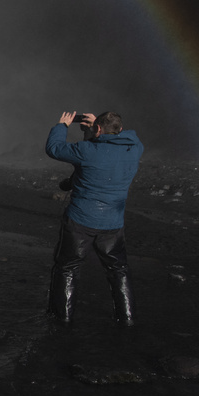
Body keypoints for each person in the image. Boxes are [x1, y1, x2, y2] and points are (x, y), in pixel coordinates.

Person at [45, 110, 143, 326]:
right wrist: (102, 127)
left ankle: (62, 320)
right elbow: (124, 136)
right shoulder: (134, 148)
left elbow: (53, 148)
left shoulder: (86, 150)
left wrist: (62, 126)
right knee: (119, 271)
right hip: (113, 224)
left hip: (81, 221)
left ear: (97, 129)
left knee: (68, 268)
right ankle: (127, 320)